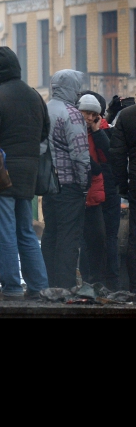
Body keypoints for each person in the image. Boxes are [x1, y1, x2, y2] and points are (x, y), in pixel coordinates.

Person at [0, 47, 49, 300]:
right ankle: (38, 286)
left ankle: (11, 287)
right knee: (26, 231)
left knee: (4, 232)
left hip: (0, 172)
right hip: (28, 173)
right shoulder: (34, 96)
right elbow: (44, 133)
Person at [41, 70, 90, 289]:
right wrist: (84, 183)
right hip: (69, 184)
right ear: (71, 87)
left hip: (48, 185)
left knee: (50, 233)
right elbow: (80, 154)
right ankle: (65, 284)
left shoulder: (45, 109)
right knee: (68, 236)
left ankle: (48, 282)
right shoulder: (72, 113)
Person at [78, 90, 119, 289]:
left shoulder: (104, 130)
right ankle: (92, 279)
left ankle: (108, 280)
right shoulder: (77, 130)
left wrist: (96, 131)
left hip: (107, 189)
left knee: (106, 236)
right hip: (92, 190)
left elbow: (109, 154)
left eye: (92, 113)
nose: (89, 117)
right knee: (92, 237)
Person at [109, 101, 136, 292]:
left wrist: (123, 185)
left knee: (135, 237)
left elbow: (117, 154)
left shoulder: (127, 116)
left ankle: (134, 288)